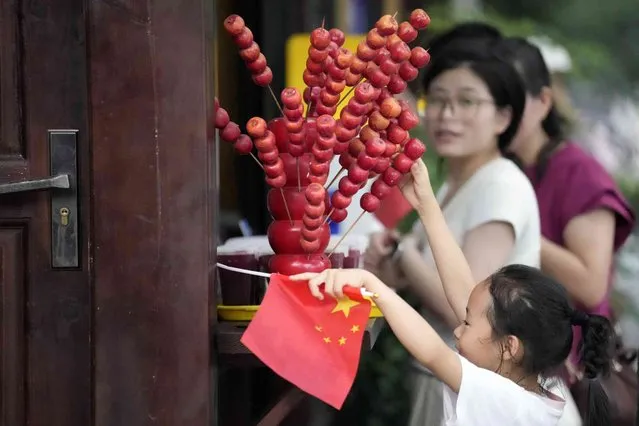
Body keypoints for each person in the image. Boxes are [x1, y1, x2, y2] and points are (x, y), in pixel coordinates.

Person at [291, 159, 615, 426]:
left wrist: (374, 287)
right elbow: (465, 294)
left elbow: (433, 352)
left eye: (468, 324)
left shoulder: (504, 398)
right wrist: (427, 205)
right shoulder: (530, 382)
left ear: (510, 346)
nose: (458, 327)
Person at [364, 37, 541, 425]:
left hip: (478, 397)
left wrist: (404, 255)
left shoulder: (500, 187)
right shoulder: (452, 183)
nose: (447, 114)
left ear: (503, 117)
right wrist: (392, 259)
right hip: (448, 382)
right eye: (438, 100)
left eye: (467, 101)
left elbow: (468, 309)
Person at [498, 37, 636, 378]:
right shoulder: (502, 166)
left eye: (513, 100)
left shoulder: (580, 174)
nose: (501, 113)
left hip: (564, 370)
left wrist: (519, 226)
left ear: (544, 101)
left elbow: (591, 285)